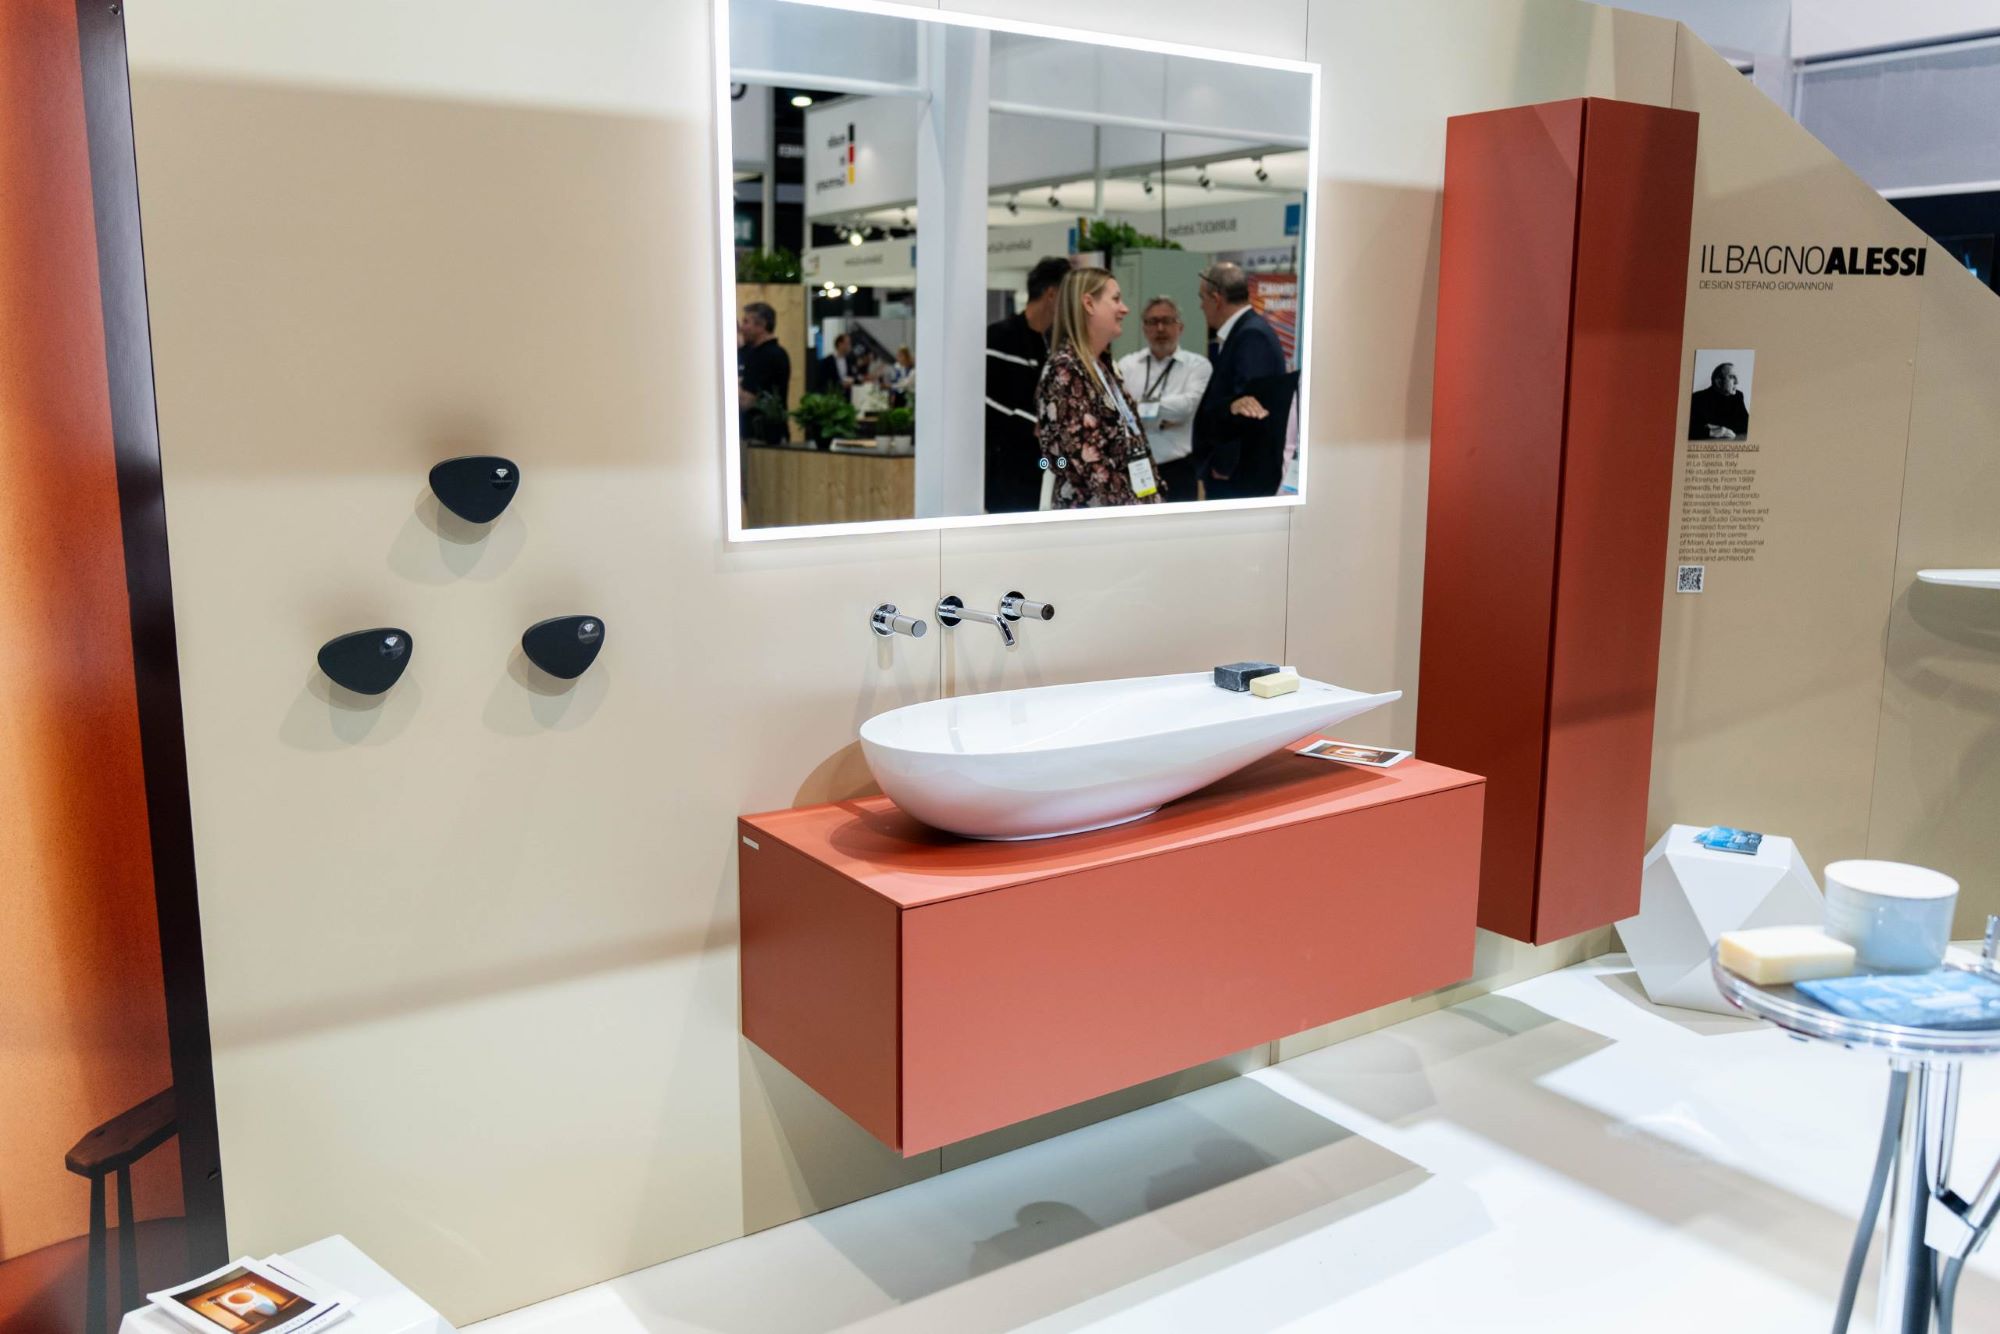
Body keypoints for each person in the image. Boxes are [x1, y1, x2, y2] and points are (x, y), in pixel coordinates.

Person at [1035, 268, 1163, 509]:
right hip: (1095, 519)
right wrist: (1135, 509)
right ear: (1088, 304)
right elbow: (1082, 460)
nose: (1124, 309)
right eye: (1116, 299)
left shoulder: (1104, 366)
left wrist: (1153, 497)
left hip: (1127, 512)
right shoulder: (1065, 369)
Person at [1192, 262, 1289, 498]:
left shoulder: (1251, 336)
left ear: (1216, 299)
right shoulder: (1246, 332)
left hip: (1237, 479)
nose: (1201, 306)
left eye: (1202, 298)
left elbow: (1250, 407)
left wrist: (1224, 464)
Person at [985, 256, 1073, 512]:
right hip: (1008, 471)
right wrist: (1032, 424)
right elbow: (984, 401)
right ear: (1052, 295)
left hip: (1047, 468)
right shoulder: (999, 338)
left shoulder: (1057, 345)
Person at [1116, 296, 1212, 503]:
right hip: (1137, 466)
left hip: (1179, 468)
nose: (1160, 328)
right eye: (1153, 322)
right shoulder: (1127, 365)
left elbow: (1186, 408)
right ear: (1144, 328)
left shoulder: (1198, 365)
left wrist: (1138, 410)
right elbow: (1120, 411)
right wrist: (1162, 418)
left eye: (1167, 321)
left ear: (1180, 327)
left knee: (1180, 523)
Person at [737, 302, 791, 443]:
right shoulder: (760, 353)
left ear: (761, 325)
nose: (742, 328)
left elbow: (747, 402)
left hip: (763, 439)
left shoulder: (767, 356)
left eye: (746, 322)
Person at [1688, 361, 1749, 441]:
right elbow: (1688, 430)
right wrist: (1711, 432)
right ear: (1718, 382)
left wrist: (1720, 428)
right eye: (1732, 377)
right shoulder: (1697, 398)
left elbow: (1746, 424)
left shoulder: (1738, 396)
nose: (1737, 382)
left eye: (1737, 377)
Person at [815, 332, 853, 396]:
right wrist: (840, 385)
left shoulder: (849, 360)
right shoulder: (828, 361)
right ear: (840, 344)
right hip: (832, 395)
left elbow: (851, 375)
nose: (849, 346)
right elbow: (823, 380)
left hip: (847, 395)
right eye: (847, 343)